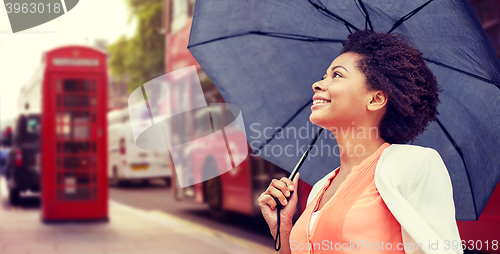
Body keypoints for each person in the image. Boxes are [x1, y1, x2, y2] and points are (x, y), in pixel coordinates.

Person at [258, 29, 463, 254]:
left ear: (375, 99)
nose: (317, 84)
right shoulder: (319, 188)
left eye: (336, 75)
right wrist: (283, 229)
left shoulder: (414, 165)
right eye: (324, 75)